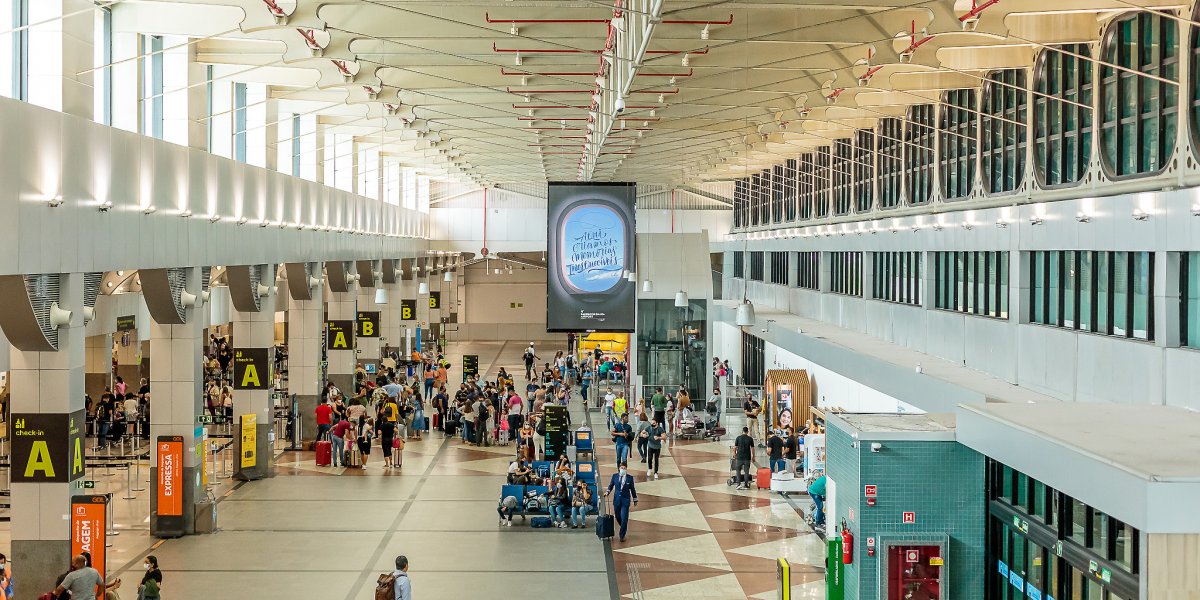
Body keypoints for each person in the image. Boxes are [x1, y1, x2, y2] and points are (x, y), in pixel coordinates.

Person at [54, 554, 119, 600]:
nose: (72, 564)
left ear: (77, 564)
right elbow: (102, 585)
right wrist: (97, 595)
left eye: (73, 563)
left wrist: (53, 594)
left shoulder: (71, 575)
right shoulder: (94, 571)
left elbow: (59, 590)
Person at [604, 461, 639, 542]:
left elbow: (632, 489)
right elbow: (611, 485)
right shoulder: (615, 476)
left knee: (624, 518)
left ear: (626, 469)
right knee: (617, 516)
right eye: (621, 468)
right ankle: (623, 526)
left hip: (625, 501)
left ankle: (622, 535)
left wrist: (635, 499)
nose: (623, 469)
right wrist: (608, 492)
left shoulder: (630, 478)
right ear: (619, 468)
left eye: (624, 468)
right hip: (617, 500)